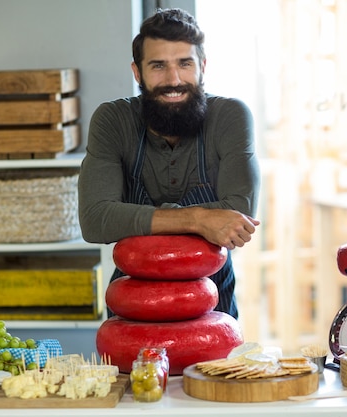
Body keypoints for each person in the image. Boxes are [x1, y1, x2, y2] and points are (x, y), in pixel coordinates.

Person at [78, 8, 261, 319]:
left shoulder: (230, 116)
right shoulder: (113, 120)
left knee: (214, 369)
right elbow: (95, 219)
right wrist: (200, 220)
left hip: (212, 304)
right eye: (158, 66)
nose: (173, 80)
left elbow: (238, 218)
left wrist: (134, 217)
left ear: (202, 67)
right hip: (133, 304)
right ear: (137, 72)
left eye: (185, 64)